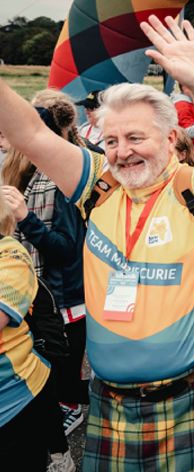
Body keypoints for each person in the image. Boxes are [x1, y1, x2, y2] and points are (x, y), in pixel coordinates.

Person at [0, 15, 194, 470]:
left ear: (170, 139)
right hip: (110, 401)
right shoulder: (99, 185)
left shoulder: (193, 190)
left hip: (192, 393)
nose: (122, 150)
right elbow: (30, 134)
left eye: (135, 137)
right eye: (111, 140)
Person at [2, 92, 89, 452]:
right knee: (43, 361)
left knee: (62, 367)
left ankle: (74, 409)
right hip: (28, 294)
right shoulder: (14, 175)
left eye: (11, 134)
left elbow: (67, 249)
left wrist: (25, 217)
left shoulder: (61, 181)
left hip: (62, 295)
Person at [0, 190, 60, 471]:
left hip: (15, 401)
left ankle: (62, 457)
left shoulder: (9, 254)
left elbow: (63, 247)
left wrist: (26, 217)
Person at [172, 81, 194, 149]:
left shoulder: (187, 103)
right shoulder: (183, 106)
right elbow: (187, 132)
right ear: (185, 87)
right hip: (187, 153)